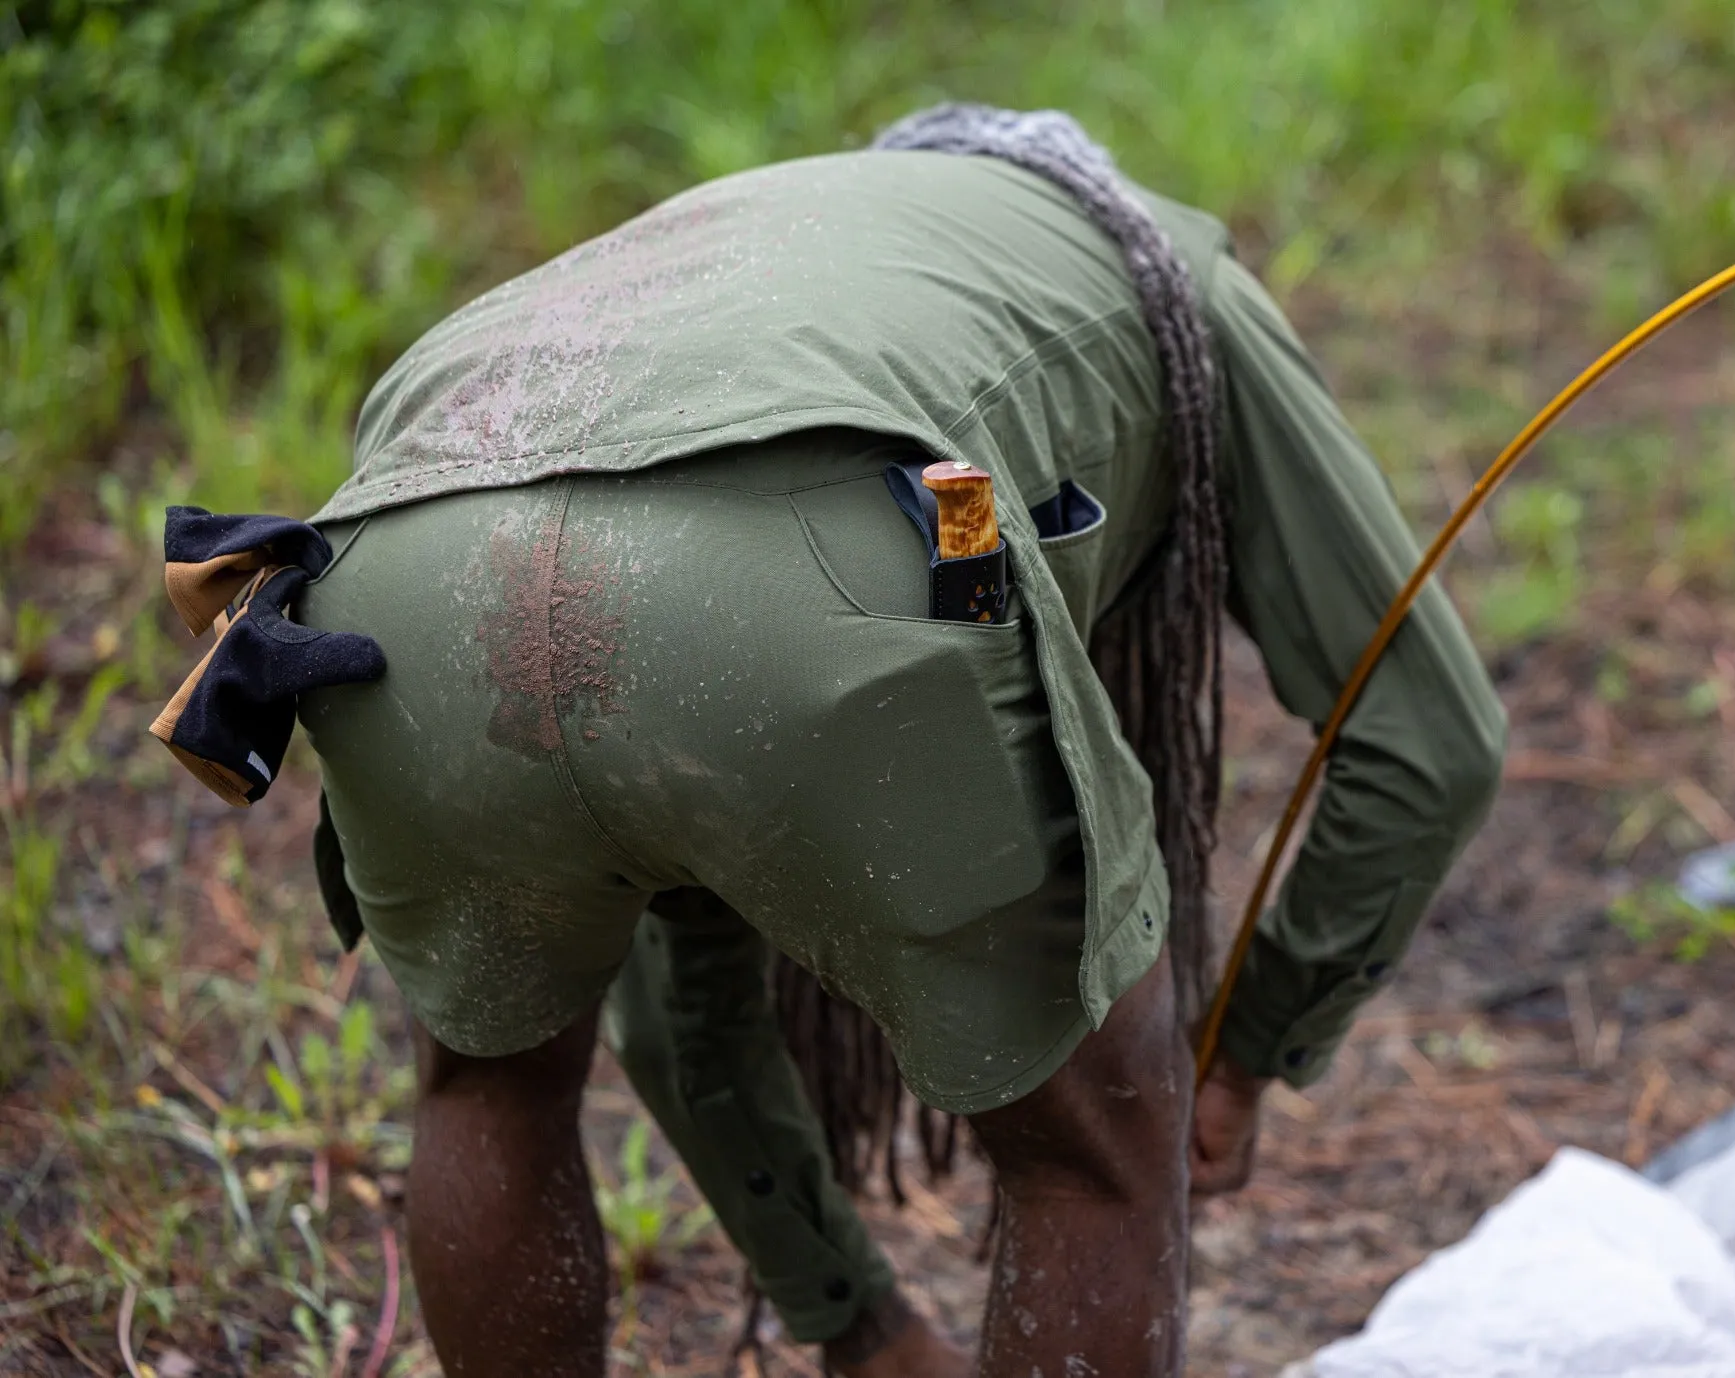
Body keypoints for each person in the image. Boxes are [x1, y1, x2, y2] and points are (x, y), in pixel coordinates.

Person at [274, 106, 1505, 1376]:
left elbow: (665, 944)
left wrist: (858, 1330)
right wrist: (1244, 1057)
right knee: (1095, 1145)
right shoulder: (1174, 275)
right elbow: (1427, 733)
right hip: (784, 570)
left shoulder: (777, 235)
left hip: (391, 561)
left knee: (488, 1084)